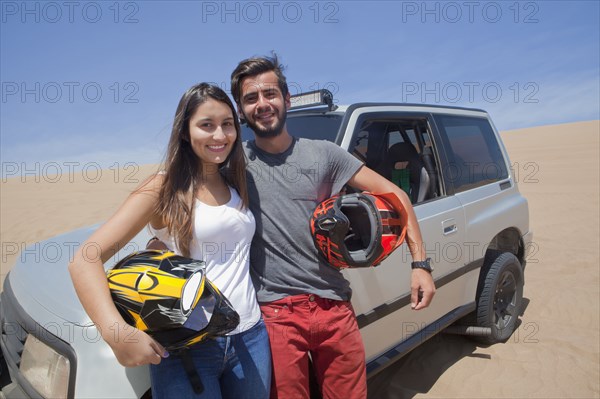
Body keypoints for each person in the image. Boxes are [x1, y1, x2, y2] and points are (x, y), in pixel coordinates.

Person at [230, 55, 436, 399]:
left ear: (286, 99)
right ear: (240, 110)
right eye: (251, 98)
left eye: (270, 94)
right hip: (276, 314)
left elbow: (396, 195)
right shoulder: (234, 164)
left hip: (334, 305)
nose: (262, 104)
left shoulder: (325, 155)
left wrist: (420, 265)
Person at [68, 83, 271, 398]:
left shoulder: (236, 182)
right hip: (187, 348)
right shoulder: (163, 187)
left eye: (227, 124)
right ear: (186, 132)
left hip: (250, 336)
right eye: (207, 125)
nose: (220, 135)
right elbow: (85, 259)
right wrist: (116, 332)